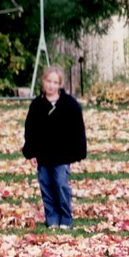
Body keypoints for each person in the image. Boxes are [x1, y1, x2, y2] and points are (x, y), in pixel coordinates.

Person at [21, 65, 87, 230]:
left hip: (62, 154)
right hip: (43, 154)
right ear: (43, 81)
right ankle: (52, 218)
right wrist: (31, 152)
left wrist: (77, 151)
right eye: (48, 81)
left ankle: (65, 217)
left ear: (60, 85)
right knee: (46, 185)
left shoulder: (69, 104)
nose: (51, 85)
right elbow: (30, 130)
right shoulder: (37, 105)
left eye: (55, 82)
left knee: (60, 183)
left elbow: (78, 129)